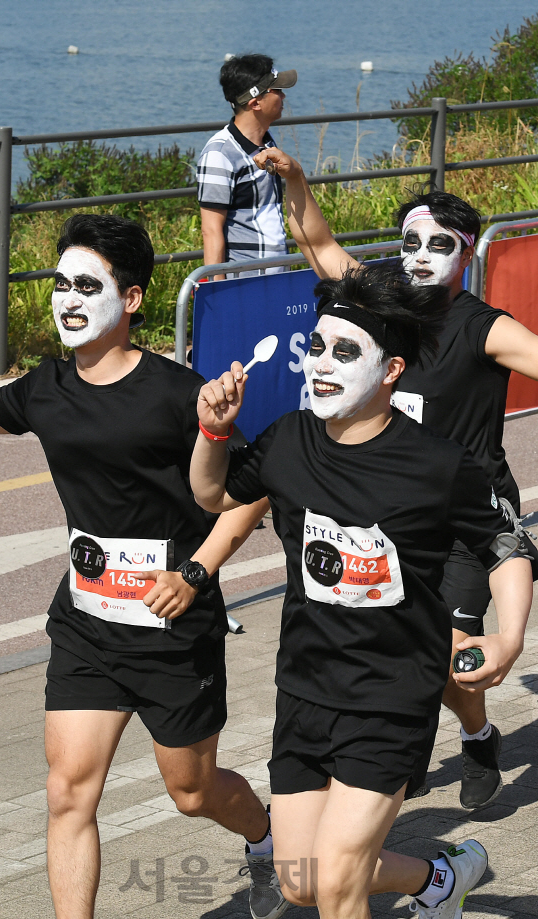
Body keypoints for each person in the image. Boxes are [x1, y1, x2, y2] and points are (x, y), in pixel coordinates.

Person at [0, 213, 289, 919]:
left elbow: (251, 493)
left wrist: (197, 576)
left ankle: (264, 836)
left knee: (191, 792)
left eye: (87, 284)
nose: (68, 298)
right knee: (68, 792)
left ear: (134, 299)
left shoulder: (179, 394)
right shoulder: (50, 385)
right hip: (88, 622)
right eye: (60, 284)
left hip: (172, 623)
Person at [189, 261, 532, 919]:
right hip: (305, 689)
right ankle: (440, 879)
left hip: (391, 695)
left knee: (341, 881)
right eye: (316, 347)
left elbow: (507, 544)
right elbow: (211, 494)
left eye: (346, 352)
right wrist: (213, 431)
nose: (323, 363)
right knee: (301, 880)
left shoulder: (436, 464)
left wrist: (510, 634)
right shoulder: (289, 440)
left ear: (392, 369)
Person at [255, 144, 538, 811]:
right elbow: (318, 241)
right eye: (410, 238)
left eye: (440, 242)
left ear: (467, 253)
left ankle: (453, 742)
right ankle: (473, 731)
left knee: (442, 641)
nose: (420, 252)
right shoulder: (378, 308)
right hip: (390, 511)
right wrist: (295, 179)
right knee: (406, 638)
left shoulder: (484, 328)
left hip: (467, 516)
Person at [196, 53, 297, 279]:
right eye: (277, 90)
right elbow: (211, 231)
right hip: (244, 280)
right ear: (255, 102)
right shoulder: (219, 154)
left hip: (275, 274)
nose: (284, 96)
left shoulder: (266, 143)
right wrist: (217, 288)